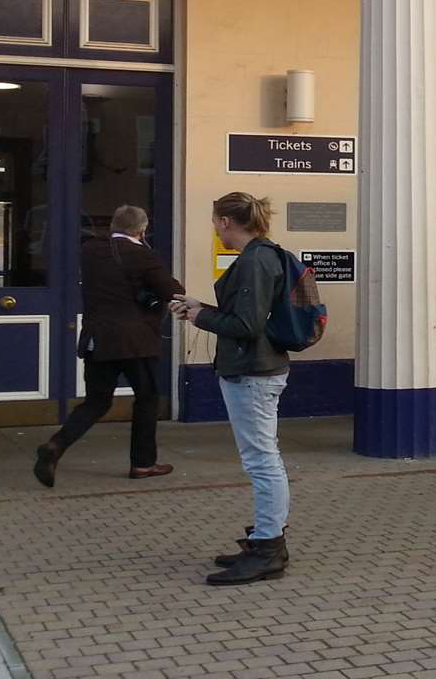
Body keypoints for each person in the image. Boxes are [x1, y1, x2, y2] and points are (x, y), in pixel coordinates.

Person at [173, 192, 292, 586]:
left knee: (262, 460)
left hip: (253, 372)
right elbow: (245, 316)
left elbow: (247, 326)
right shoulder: (263, 255)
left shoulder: (255, 261)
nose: (214, 227)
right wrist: (199, 306)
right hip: (256, 369)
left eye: (214, 220)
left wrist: (200, 316)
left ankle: (269, 549)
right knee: (262, 457)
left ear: (226, 221)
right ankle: (263, 539)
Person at [33, 205, 182, 487]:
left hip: (97, 341)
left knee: (96, 402)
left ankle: (56, 445)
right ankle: (143, 464)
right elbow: (173, 291)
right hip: (136, 343)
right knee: (147, 399)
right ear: (142, 229)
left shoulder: (90, 251)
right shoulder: (142, 255)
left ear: (113, 225)